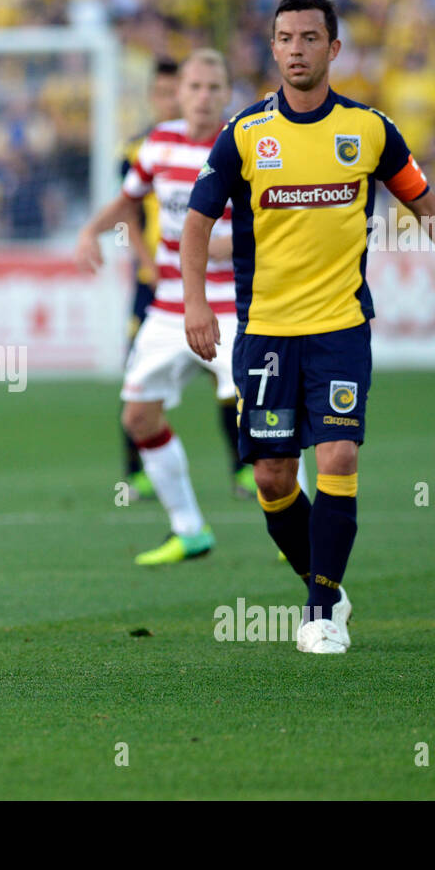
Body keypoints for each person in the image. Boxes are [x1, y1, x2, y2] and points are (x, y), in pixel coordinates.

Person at [182, 0, 435, 652]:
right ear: (272, 49)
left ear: (334, 49)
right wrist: (194, 301)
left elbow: (428, 205)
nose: (296, 49)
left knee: (338, 452)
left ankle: (320, 611)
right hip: (265, 333)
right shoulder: (245, 132)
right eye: (284, 38)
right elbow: (195, 222)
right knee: (273, 476)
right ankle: (320, 578)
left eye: (309, 38)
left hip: (340, 328)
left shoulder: (369, 131)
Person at [77, 49, 273, 566]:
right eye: (194, 87)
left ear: (227, 92)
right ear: (178, 91)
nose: (203, 97)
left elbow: (267, 226)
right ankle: (189, 530)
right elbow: (129, 196)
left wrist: (207, 246)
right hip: (168, 307)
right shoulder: (158, 142)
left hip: (233, 307)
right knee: (139, 417)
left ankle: (298, 527)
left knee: (262, 420)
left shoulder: (247, 146)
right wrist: (91, 230)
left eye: (214, 87)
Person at [116, 57, 180, 501]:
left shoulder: (215, 146)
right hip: (150, 281)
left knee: (231, 379)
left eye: (178, 90)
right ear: (152, 97)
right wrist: (147, 263)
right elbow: (128, 214)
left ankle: (245, 469)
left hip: (201, 280)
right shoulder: (136, 150)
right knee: (136, 374)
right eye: (162, 92)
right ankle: (136, 472)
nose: (170, 99)